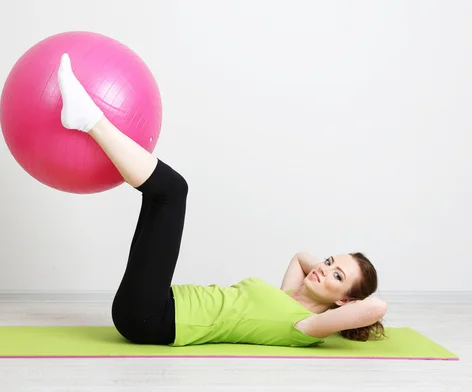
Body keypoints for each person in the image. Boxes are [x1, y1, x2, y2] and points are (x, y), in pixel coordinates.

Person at [57, 53, 388, 348]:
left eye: (338, 276)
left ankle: (89, 119)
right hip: (155, 304)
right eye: (330, 262)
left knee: (172, 192)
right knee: (158, 197)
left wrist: (343, 300)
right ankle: (90, 121)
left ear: (347, 301)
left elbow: (377, 307)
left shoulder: (307, 326)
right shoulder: (288, 296)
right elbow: (302, 257)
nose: (324, 269)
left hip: (153, 319)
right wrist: (324, 273)